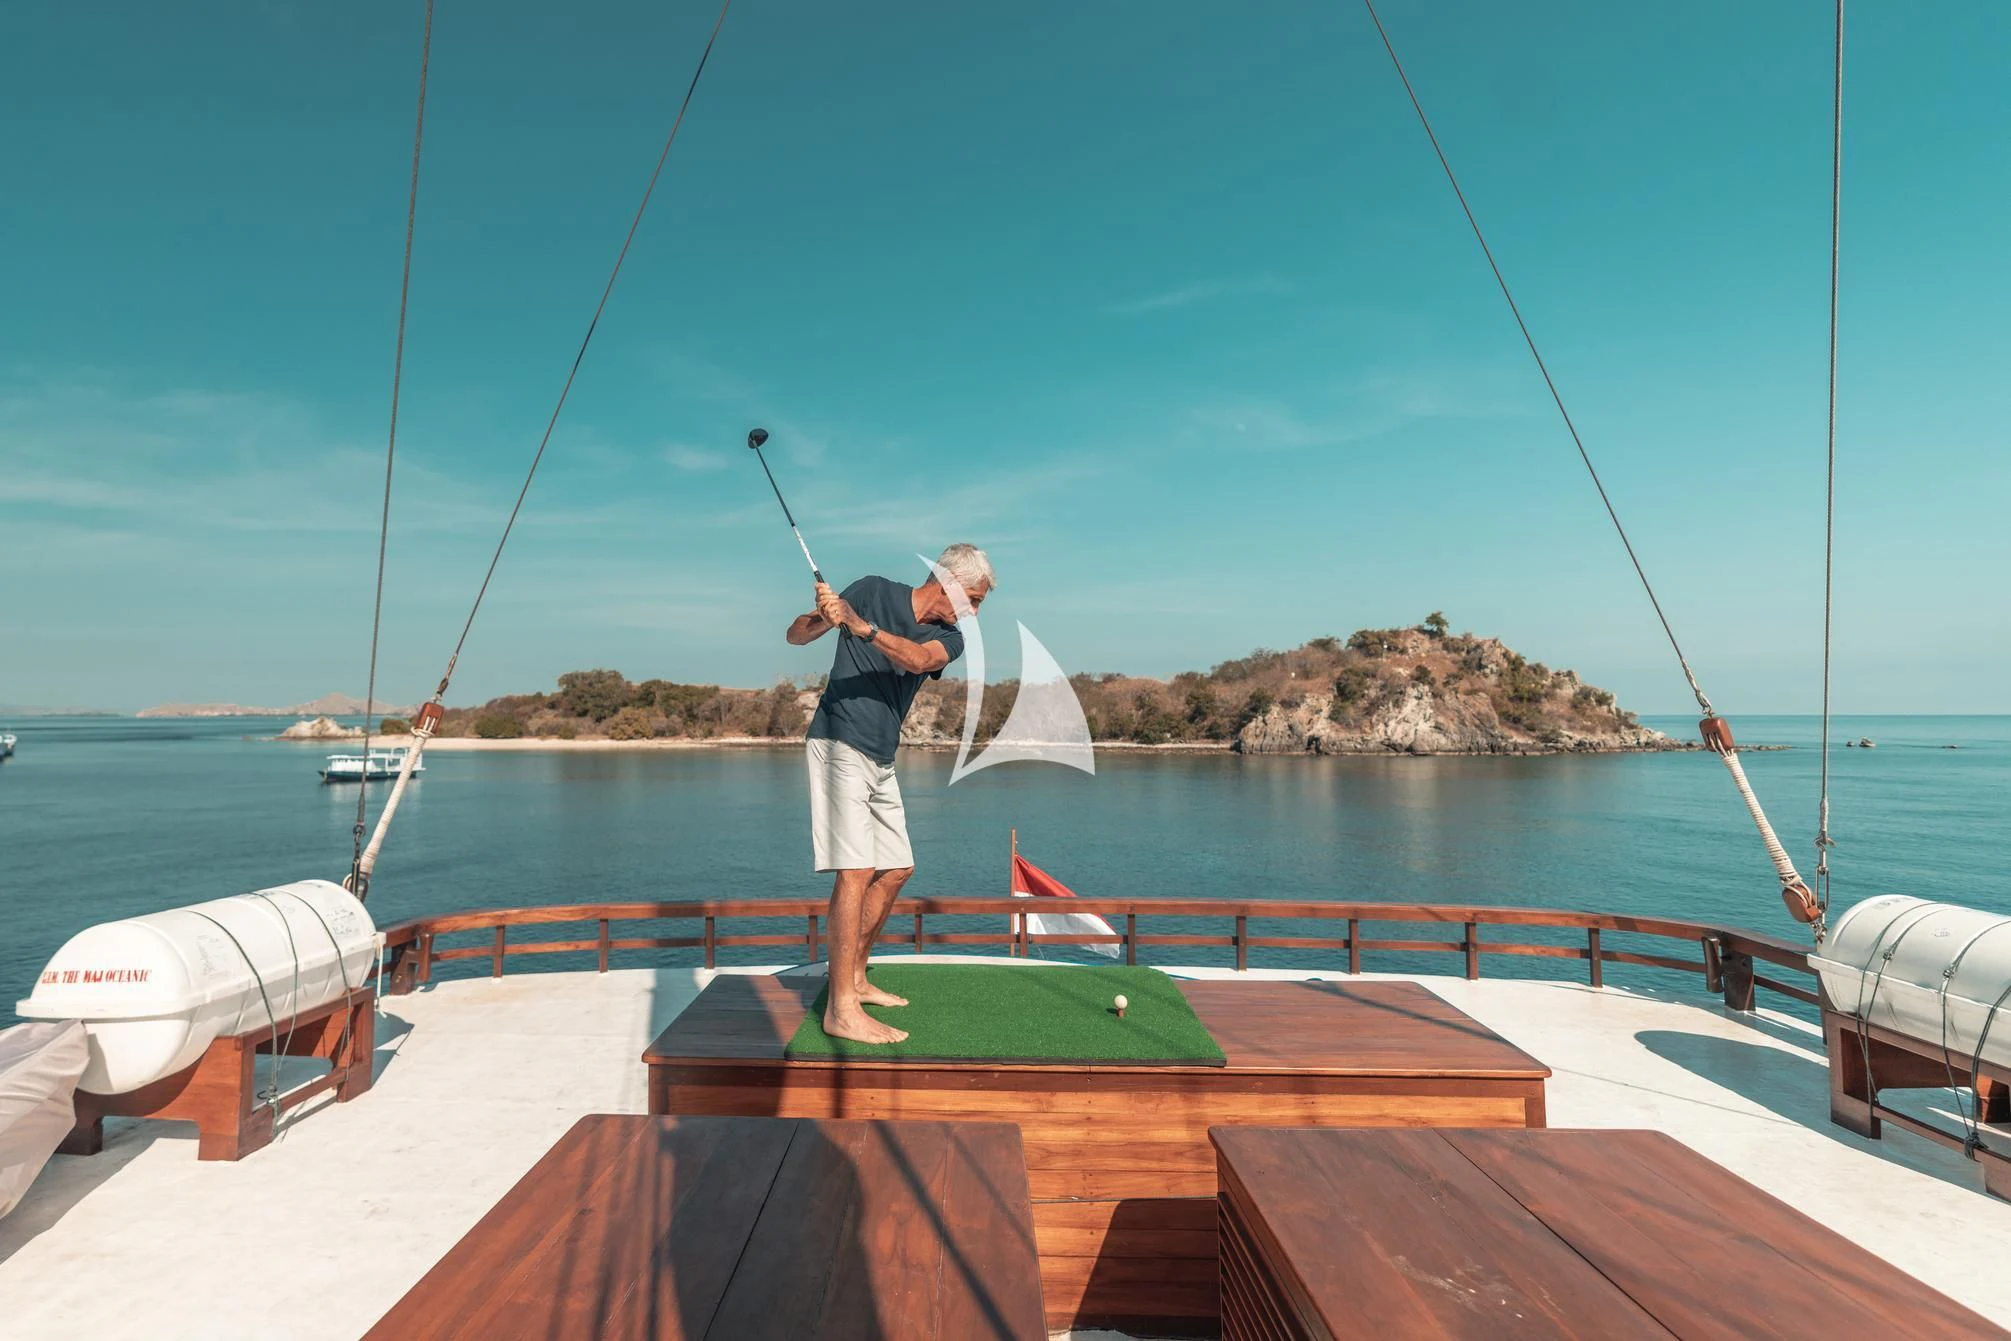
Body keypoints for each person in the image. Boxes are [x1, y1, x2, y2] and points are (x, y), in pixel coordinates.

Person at [786, 543, 994, 1044]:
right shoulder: (872, 590)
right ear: (945, 581)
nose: (974, 611)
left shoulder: (949, 638)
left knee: (897, 868)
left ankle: (856, 978)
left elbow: (919, 658)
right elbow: (796, 636)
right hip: (838, 740)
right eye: (972, 598)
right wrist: (826, 616)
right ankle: (840, 1009)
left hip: (880, 756)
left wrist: (863, 627)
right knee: (855, 870)